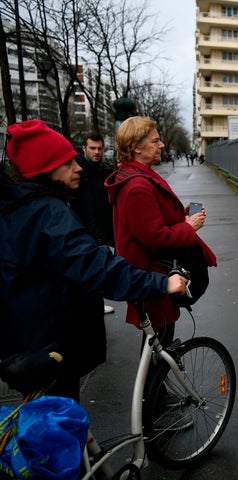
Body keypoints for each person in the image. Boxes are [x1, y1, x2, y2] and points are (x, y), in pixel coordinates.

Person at [0, 119, 188, 401]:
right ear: (46, 170)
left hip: (26, 342)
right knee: (59, 428)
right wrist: (160, 284)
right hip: (49, 348)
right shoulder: (49, 214)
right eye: (67, 163)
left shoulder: (16, 208)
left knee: (52, 422)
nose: (78, 167)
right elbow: (94, 267)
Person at [105, 116, 217, 347]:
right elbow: (156, 239)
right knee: (158, 348)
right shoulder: (137, 186)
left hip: (151, 278)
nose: (162, 145)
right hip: (153, 279)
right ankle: (154, 384)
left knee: (157, 347)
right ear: (136, 147)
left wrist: (179, 216)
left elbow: (147, 223)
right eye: (155, 141)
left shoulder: (136, 176)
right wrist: (188, 227)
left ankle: (155, 383)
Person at [71, 132, 116, 314]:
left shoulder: (104, 171)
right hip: (84, 230)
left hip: (100, 229)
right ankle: (91, 304)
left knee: (96, 269)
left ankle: (96, 302)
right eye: (92, 148)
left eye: (99, 148)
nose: (97, 152)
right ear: (84, 149)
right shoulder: (78, 172)